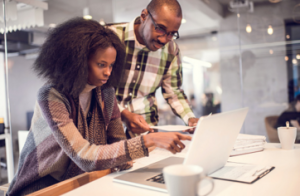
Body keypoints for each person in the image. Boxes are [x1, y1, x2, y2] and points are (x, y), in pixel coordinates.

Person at [6, 18, 191, 196]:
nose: (108, 72)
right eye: (101, 65)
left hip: (80, 182)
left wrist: (127, 157)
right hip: (42, 186)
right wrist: (150, 141)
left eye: (111, 65)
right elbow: (85, 156)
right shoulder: (51, 96)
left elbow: (117, 142)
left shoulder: (106, 93)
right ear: (77, 61)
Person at [107, 0, 199, 136]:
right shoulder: (110, 37)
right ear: (144, 16)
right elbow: (96, 89)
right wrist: (123, 114)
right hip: (108, 131)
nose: (164, 40)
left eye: (172, 33)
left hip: (147, 134)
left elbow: (173, 91)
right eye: (160, 28)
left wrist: (190, 118)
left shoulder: (171, 50)